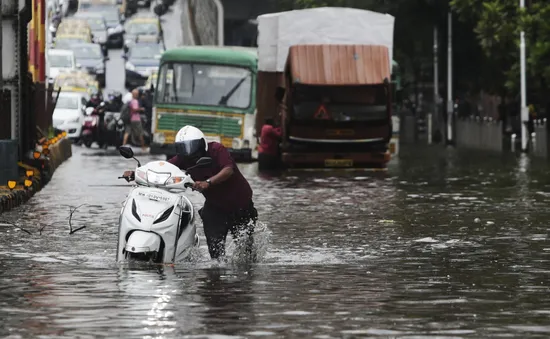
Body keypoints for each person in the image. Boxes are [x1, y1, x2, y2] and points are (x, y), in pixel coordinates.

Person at [122, 125, 258, 261]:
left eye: (192, 147)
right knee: (216, 253)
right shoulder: (184, 158)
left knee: (246, 252)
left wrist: (207, 182)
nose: (189, 153)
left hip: (240, 204)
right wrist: (136, 174)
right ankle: (217, 276)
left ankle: (246, 276)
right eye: (184, 148)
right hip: (215, 207)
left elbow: (228, 170)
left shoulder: (217, 150)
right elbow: (163, 168)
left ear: (201, 144)